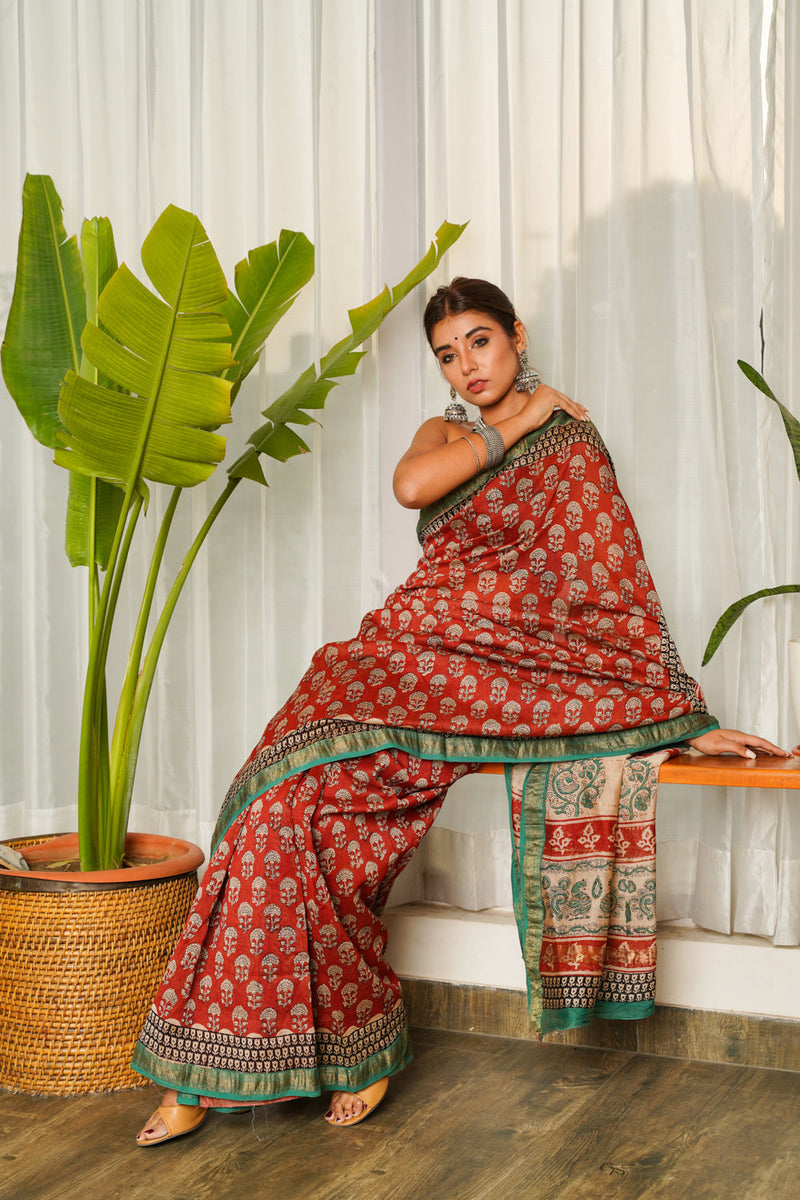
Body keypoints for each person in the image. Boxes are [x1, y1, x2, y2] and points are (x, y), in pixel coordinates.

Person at [134, 277, 787, 1146]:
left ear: (517, 335)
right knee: (274, 811)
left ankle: (344, 1053)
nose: (468, 365)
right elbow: (412, 486)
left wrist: (678, 718)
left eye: (480, 340)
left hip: (507, 676)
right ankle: (208, 1069)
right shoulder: (446, 434)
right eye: (448, 354)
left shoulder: (572, 442)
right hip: (396, 659)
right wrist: (517, 419)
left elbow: (613, 585)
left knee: (313, 828)